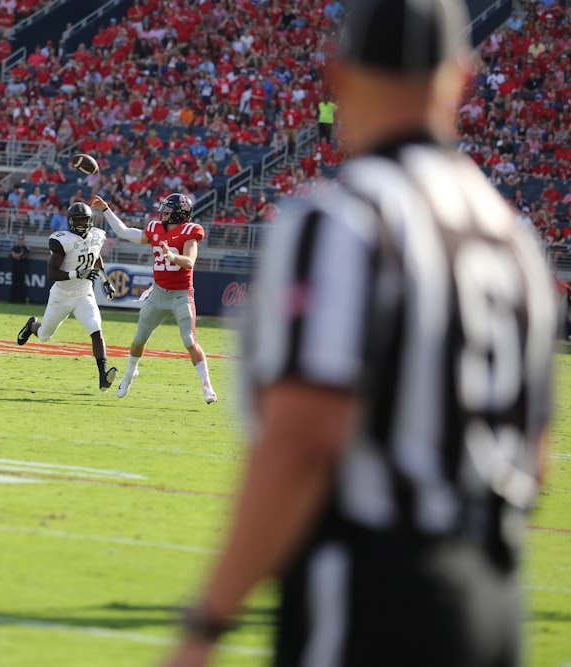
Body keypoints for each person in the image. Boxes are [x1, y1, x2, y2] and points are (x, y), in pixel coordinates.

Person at [162, 1, 556, 666]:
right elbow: (535, 455)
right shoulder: (515, 241)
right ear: (460, 77)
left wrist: (207, 621)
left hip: (375, 593)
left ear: (339, 78)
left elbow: (303, 438)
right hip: (495, 598)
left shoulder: (340, 221)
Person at [91, 192, 217, 404]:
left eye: (168, 211)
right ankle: (130, 373)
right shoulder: (155, 228)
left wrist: (171, 256)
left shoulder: (190, 230)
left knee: (189, 340)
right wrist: (106, 210)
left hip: (180, 295)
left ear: (180, 214)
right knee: (139, 339)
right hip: (158, 293)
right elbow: (124, 232)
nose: (163, 214)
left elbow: (189, 262)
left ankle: (207, 387)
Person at [16, 202, 118, 392]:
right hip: (61, 295)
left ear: (90, 221)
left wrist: (105, 281)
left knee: (96, 329)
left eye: (84, 220)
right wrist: (77, 274)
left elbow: (95, 256)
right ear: (70, 221)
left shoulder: (96, 235)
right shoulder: (62, 240)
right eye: (77, 220)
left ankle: (103, 376)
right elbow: (52, 273)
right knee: (45, 335)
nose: (80, 223)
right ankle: (31, 326)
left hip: (84, 294)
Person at [8, 233, 30, 303]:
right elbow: (11, 256)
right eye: (19, 239)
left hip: (22, 270)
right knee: (13, 284)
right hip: (15, 269)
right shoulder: (15, 247)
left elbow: (23, 256)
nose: (20, 241)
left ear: (23, 240)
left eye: (21, 239)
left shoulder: (25, 248)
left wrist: (16, 255)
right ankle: (12, 300)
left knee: (21, 285)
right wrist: (18, 255)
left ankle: (22, 300)